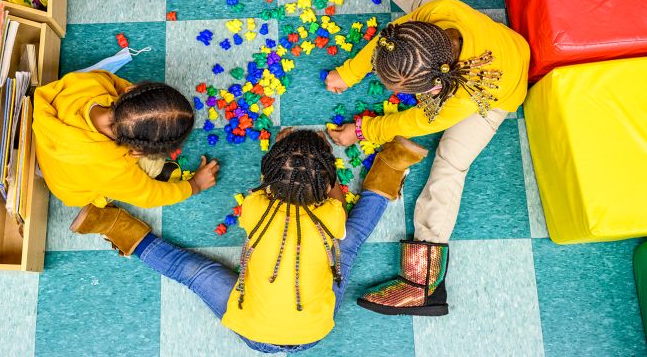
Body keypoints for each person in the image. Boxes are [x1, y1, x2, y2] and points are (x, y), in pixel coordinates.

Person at [303, 0, 531, 316]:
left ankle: (425, 284)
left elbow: (407, 124)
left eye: (402, 89)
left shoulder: (457, 101)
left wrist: (362, 130)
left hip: (497, 96)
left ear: (429, 88)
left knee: (450, 165)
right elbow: (384, 44)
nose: (394, 94)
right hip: (469, 44)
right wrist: (347, 73)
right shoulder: (434, 17)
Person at [69, 129, 427, 352]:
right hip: (307, 332)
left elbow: (269, 185)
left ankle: (115, 223)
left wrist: (285, 150)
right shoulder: (332, 217)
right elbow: (334, 197)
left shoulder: (254, 208)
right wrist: (323, 177)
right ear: (330, 183)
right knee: (352, 240)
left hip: (268, 326)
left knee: (191, 270)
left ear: (266, 176)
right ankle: (390, 168)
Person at [33, 70, 220, 210]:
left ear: (131, 90)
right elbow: (150, 195)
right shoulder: (115, 171)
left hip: (51, 143)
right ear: (139, 151)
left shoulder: (94, 82)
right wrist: (194, 185)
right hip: (70, 187)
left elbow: (119, 86)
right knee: (153, 167)